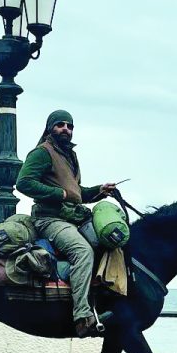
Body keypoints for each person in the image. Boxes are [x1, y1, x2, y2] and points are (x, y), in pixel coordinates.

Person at [15, 109, 117, 337]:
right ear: (50, 127)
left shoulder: (68, 156)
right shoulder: (42, 153)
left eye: (69, 126)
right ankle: (82, 316)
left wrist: (99, 191)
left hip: (70, 217)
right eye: (60, 125)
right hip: (49, 219)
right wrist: (60, 194)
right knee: (82, 251)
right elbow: (23, 183)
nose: (66, 130)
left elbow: (76, 193)